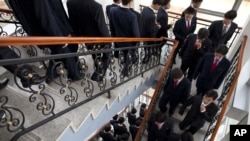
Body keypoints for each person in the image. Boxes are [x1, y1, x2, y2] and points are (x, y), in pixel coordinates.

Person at [8, 0, 81, 83]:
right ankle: (75, 75)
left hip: (40, 29)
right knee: (65, 50)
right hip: (54, 28)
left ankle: (51, 75)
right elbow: (45, 14)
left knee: (59, 50)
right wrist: (58, 37)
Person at [67, 0, 110, 82]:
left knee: (95, 54)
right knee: (106, 55)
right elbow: (102, 27)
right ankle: (99, 74)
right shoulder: (96, 6)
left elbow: (73, 22)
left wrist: (79, 35)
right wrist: (109, 40)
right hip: (99, 38)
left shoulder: (70, 3)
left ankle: (98, 69)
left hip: (86, 38)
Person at [109, 0, 140, 77]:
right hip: (129, 43)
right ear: (130, 2)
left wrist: (114, 38)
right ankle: (125, 72)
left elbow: (111, 26)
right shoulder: (132, 16)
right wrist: (138, 41)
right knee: (129, 56)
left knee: (124, 54)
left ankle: (123, 63)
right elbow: (136, 35)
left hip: (118, 41)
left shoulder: (112, 10)